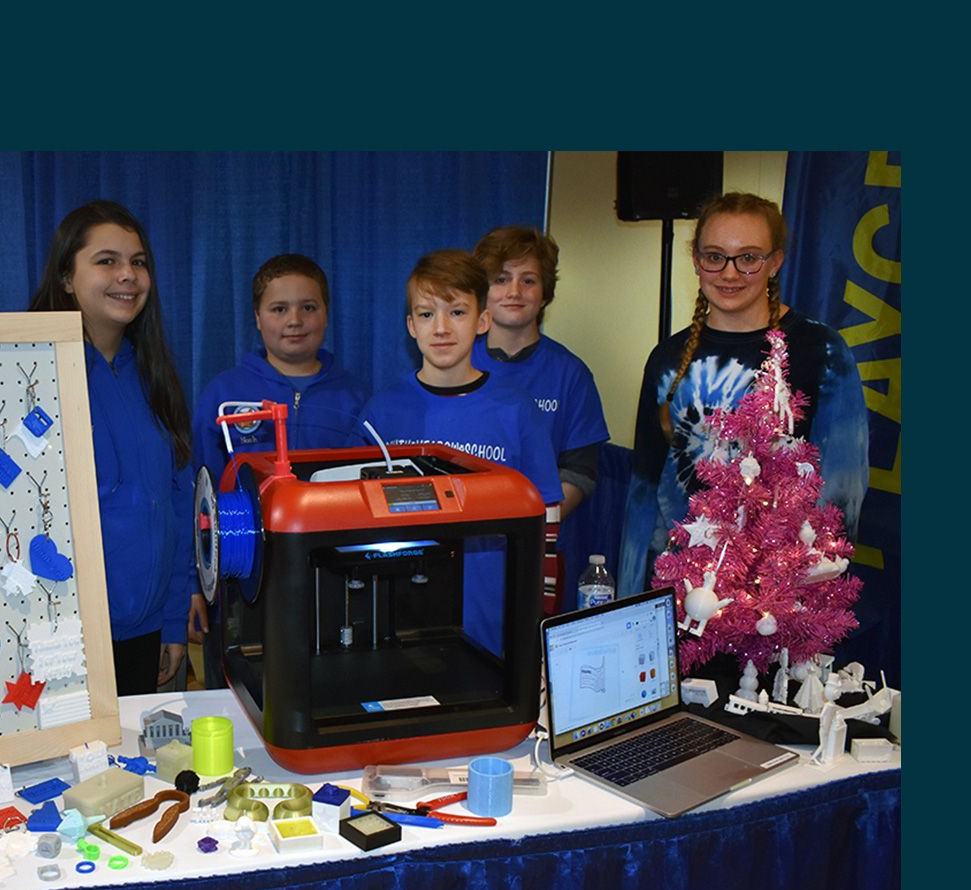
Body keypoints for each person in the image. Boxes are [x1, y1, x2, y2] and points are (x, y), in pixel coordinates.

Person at [619, 192, 868, 597]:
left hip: (781, 602)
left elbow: (842, 495)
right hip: (685, 596)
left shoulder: (821, 350)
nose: (730, 273)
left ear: (775, 263)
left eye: (748, 257)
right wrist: (632, 600)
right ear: (696, 261)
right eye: (715, 256)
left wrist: (809, 596)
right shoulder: (667, 359)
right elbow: (644, 493)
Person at [28, 200, 197, 695]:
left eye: (138, 262)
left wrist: (171, 622)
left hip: (144, 635)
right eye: (107, 261)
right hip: (63, 639)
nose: (128, 275)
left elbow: (176, 503)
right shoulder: (32, 374)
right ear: (65, 277)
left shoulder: (153, 375)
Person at [361, 250, 558, 656]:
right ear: (411, 326)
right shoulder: (382, 411)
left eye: (457, 312)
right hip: (402, 616)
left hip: (492, 614)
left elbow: (547, 517)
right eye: (427, 315)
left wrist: (538, 611)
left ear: (482, 320)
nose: (442, 328)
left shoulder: (516, 409)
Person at [189, 254, 368, 686]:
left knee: (327, 688)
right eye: (279, 308)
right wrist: (193, 586)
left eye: (309, 307)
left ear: (327, 313)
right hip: (239, 588)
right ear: (256, 317)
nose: (295, 320)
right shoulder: (224, 393)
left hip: (330, 585)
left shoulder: (355, 396)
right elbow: (195, 497)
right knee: (239, 694)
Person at [471, 226, 610, 613]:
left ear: (545, 293)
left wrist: (520, 523)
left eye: (528, 280)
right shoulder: (455, 365)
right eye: (500, 279)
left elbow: (580, 474)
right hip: (465, 546)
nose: (514, 291)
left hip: (539, 546)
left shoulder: (570, 374)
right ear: (481, 291)